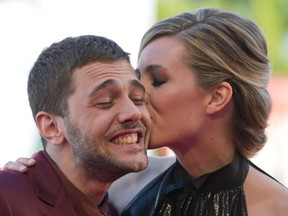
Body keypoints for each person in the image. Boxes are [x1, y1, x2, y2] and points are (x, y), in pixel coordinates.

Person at [3, 8, 288, 216]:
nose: (137, 100)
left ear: (216, 97)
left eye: (158, 81)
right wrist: (24, 179)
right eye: (139, 82)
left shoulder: (276, 207)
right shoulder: (123, 180)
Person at [0, 35, 151, 215]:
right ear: (51, 127)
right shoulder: (8, 198)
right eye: (105, 101)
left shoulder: (118, 208)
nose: (134, 112)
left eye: (137, 99)